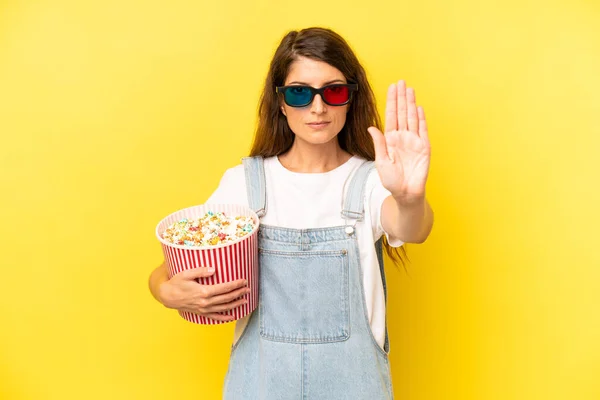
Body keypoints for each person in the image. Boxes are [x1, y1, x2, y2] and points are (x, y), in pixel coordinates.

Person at [148, 26, 433, 399]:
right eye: (300, 92)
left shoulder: (372, 181)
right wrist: (166, 292)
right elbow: (170, 267)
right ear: (281, 101)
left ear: (350, 98)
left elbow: (413, 228)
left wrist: (410, 198)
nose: (318, 108)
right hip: (262, 385)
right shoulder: (245, 184)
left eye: (333, 91)